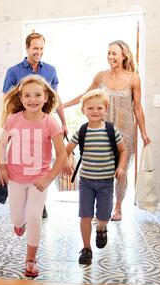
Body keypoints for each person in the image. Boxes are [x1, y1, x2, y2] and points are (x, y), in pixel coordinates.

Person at [63, 40, 151, 221]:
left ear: (124, 55)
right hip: (102, 129)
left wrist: (143, 132)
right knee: (101, 168)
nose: (110, 57)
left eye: (114, 53)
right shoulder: (101, 76)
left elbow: (137, 107)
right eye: (109, 53)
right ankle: (101, 206)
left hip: (125, 131)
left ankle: (117, 208)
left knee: (122, 170)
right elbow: (86, 96)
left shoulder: (133, 78)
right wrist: (63, 106)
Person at [0, 75, 67, 277]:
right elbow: (1, 144)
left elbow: (62, 154)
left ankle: (31, 259)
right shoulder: (13, 120)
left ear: (46, 97)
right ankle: (20, 224)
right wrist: (2, 167)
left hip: (38, 181)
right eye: (27, 95)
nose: (32, 99)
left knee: (34, 216)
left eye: (37, 95)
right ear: (21, 97)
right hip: (16, 178)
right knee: (18, 218)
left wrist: (48, 179)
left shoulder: (50, 123)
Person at [2, 32, 68, 218]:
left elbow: (56, 98)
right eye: (35, 48)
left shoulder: (50, 70)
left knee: (41, 162)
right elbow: (7, 101)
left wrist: (63, 122)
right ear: (27, 48)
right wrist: (7, 125)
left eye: (41, 48)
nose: (38, 51)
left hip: (43, 125)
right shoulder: (13, 72)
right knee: (22, 161)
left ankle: (38, 201)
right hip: (20, 124)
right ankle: (22, 201)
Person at [63, 89, 127, 265]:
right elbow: (66, 151)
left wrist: (121, 167)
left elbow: (123, 151)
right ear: (83, 110)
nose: (95, 111)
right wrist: (67, 160)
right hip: (86, 182)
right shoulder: (81, 131)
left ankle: (101, 228)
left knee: (104, 215)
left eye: (99, 108)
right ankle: (86, 248)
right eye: (90, 108)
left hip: (106, 182)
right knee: (85, 215)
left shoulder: (111, 130)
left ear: (105, 109)